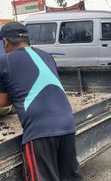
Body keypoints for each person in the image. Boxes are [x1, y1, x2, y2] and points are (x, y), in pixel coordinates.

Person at [0, 22, 82, 181]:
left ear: (5, 42)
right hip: (67, 124)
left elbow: (2, 101)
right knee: (70, 177)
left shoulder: (4, 61)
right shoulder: (47, 56)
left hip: (40, 131)